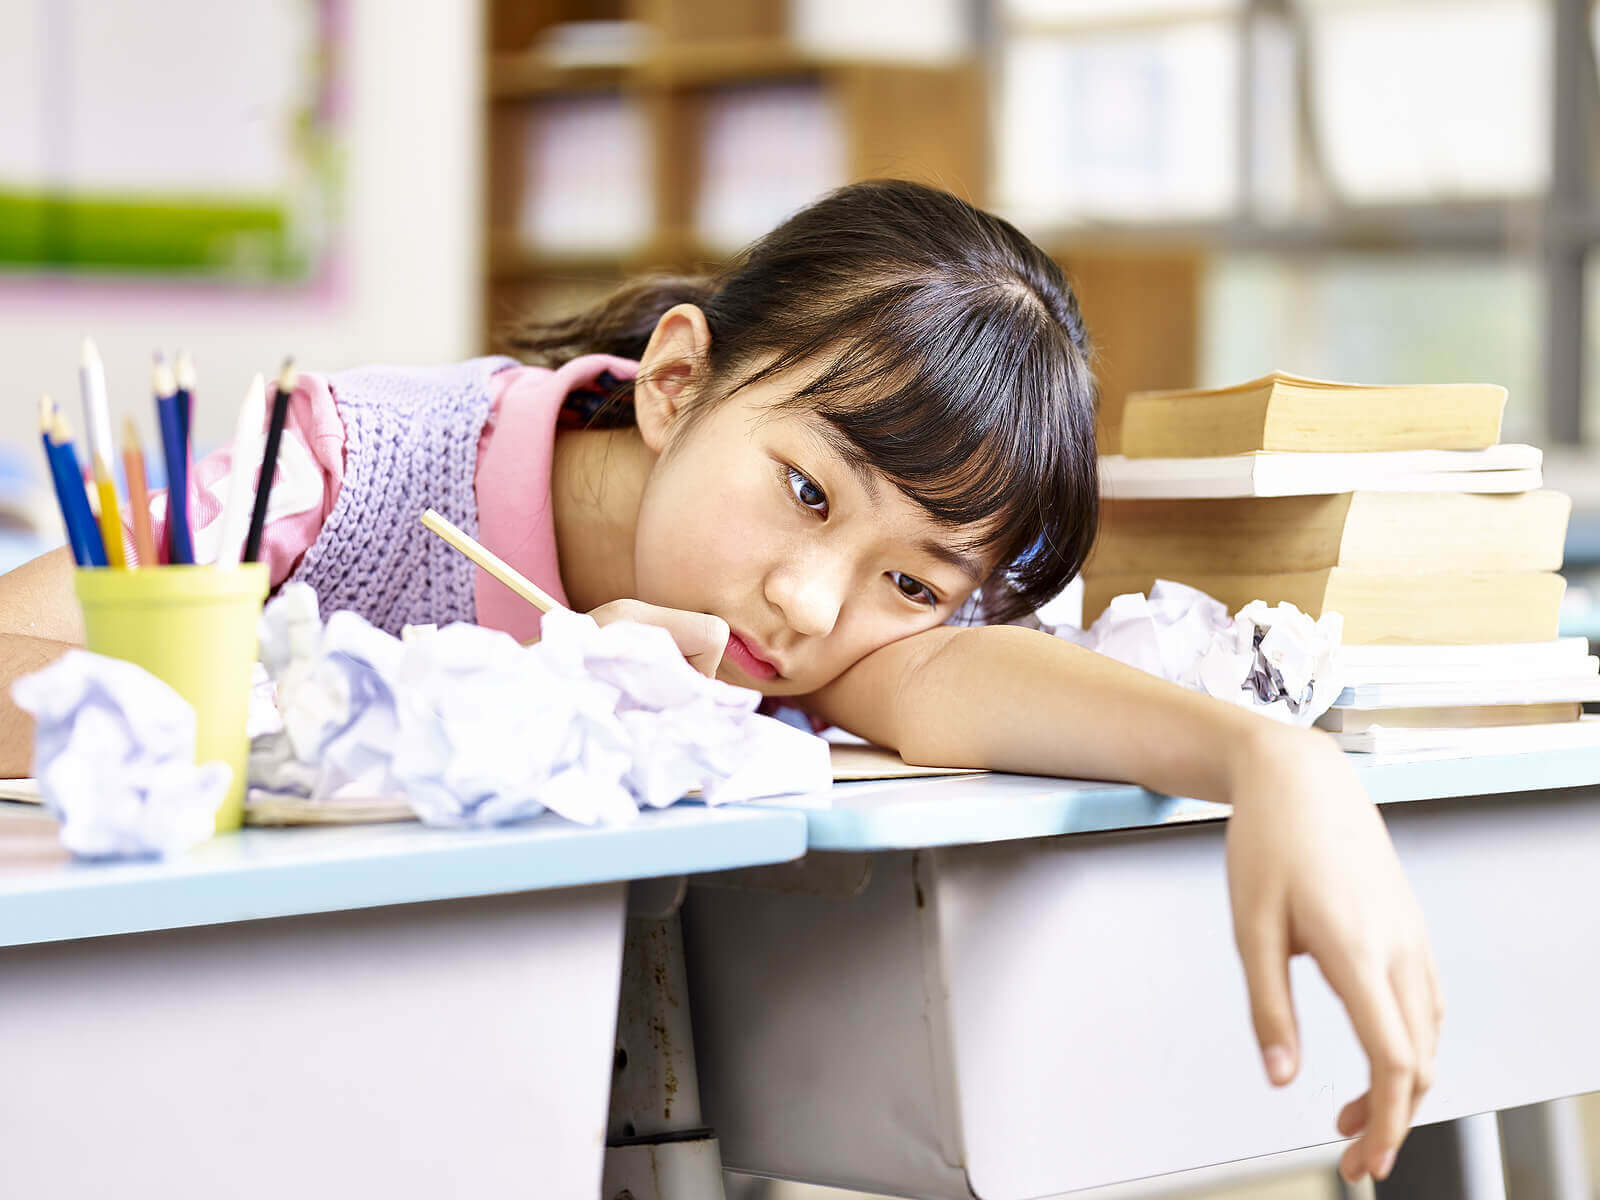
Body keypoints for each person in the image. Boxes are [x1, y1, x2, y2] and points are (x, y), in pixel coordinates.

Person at [0, 180, 1437, 1184]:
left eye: (914, 577)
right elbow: (13, 666)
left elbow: (955, 687)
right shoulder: (342, 466)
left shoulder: (824, 628)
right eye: (808, 493)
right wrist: (433, 701)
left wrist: (1273, 762)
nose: (813, 608)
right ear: (679, 379)